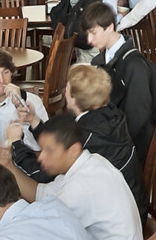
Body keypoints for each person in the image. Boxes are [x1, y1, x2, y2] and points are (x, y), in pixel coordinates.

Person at [0, 114, 142, 240]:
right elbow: (40, 193)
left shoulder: (81, 187)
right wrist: (8, 166)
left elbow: (39, 235)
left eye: (49, 151)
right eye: (41, 149)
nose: (41, 157)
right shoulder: (92, 163)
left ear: (73, 150)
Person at [10, 64, 146, 208]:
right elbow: (59, 141)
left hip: (113, 210)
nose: (64, 91)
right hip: (132, 202)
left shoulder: (85, 137)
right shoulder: (109, 115)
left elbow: (44, 174)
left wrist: (15, 143)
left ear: (74, 99)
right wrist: (33, 119)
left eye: (67, 88)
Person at [86, 2, 156, 157]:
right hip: (116, 139)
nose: (89, 40)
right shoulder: (104, 61)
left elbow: (138, 120)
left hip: (133, 151)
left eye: (93, 33)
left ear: (109, 27)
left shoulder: (134, 66)